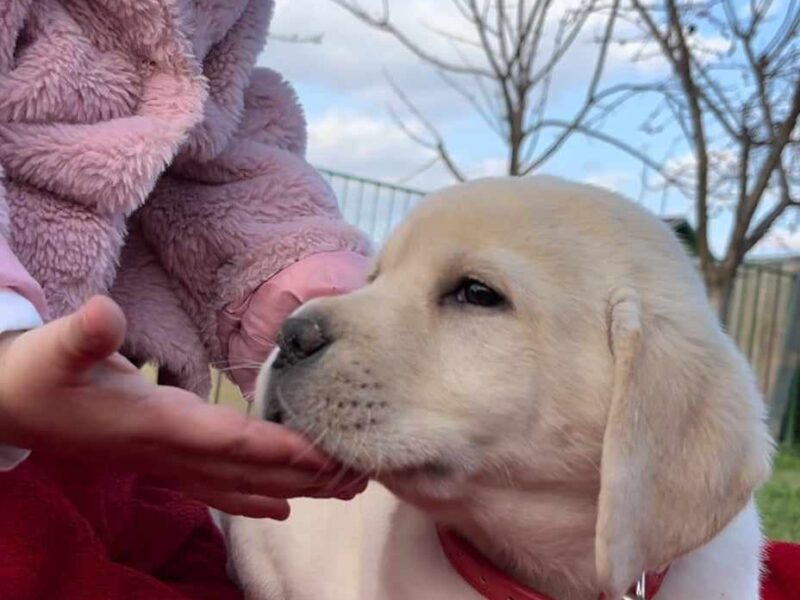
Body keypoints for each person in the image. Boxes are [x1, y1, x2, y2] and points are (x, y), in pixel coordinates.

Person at [0, 0, 370, 597]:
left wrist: (331, 308)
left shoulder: (215, 30)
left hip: (116, 425)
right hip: (24, 420)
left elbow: (235, 179)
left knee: (199, 564)